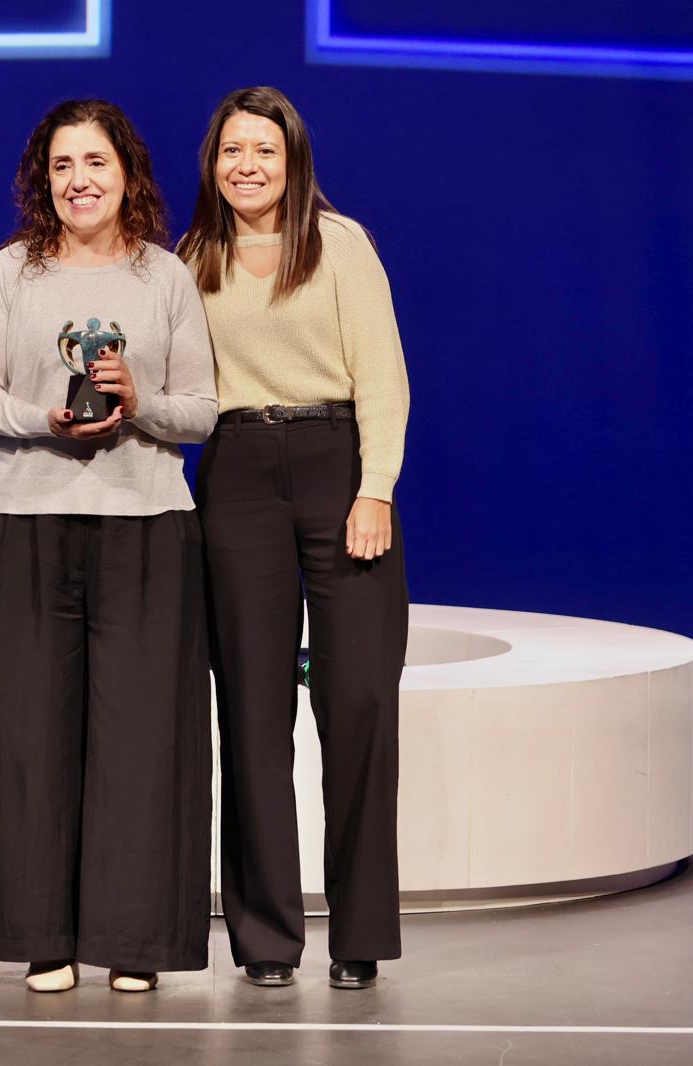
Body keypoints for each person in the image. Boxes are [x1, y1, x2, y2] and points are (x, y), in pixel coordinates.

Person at [0, 99, 217, 993]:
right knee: (24, 737)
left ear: (127, 173)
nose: (79, 181)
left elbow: (202, 411)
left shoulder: (163, 277)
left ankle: (135, 941)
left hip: (146, 529)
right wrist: (39, 421)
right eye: (61, 166)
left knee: (142, 738)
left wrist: (138, 402)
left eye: (95, 162)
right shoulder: (12, 271)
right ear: (41, 179)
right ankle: (41, 936)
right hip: (24, 522)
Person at [177, 86, 410, 990]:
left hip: (334, 464)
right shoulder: (191, 257)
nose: (248, 166)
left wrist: (374, 488)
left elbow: (383, 376)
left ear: (292, 158)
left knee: (356, 708)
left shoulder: (341, 244)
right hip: (234, 478)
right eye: (232, 150)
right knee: (252, 717)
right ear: (213, 162)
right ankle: (266, 939)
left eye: (264, 151)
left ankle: (359, 936)